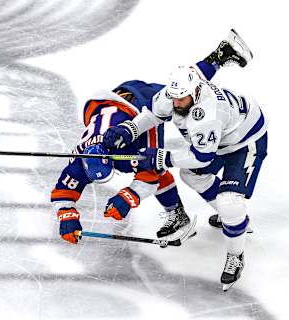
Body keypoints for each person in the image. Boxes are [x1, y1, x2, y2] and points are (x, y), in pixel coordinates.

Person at [51, 29, 253, 251]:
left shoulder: (127, 149)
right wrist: (66, 214)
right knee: (183, 88)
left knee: (179, 101)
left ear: (113, 159)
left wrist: (129, 196)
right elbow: (63, 190)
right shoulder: (79, 159)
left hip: (139, 106)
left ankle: (177, 213)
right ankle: (220, 55)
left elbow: (153, 173)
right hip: (121, 97)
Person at [102, 29, 265, 291]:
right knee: (190, 176)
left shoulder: (205, 116)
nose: (177, 103)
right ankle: (232, 219)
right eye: (174, 97)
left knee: (230, 202)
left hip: (246, 141)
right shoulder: (178, 92)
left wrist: (161, 157)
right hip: (221, 136)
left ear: (196, 93)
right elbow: (153, 115)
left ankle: (236, 252)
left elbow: (201, 157)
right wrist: (129, 130)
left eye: (183, 98)